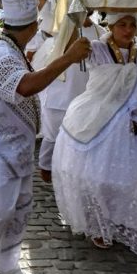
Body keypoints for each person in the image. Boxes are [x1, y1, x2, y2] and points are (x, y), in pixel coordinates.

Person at [0, 0, 91, 274]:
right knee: (2, 205)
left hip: (15, 147)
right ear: (33, 26)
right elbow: (27, 86)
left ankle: (6, 263)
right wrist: (69, 58)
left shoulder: (13, 49)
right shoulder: (2, 54)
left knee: (21, 208)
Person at [53, 13, 137, 254]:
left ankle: (126, 219)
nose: (128, 30)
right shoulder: (96, 49)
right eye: (122, 24)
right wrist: (76, 18)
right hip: (101, 118)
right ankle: (99, 224)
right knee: (98, 177)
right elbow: (68, 52)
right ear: (110, 25)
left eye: (133, 25)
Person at [37, 12, 104, 183]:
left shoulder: (102, 33)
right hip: (60, 98)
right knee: (51, 144)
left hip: (88, 100)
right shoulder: (59, 31)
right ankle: (50, 174)